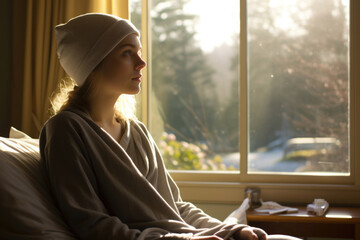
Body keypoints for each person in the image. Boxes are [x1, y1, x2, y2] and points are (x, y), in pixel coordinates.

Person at [40, 13, 267, 240]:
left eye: (138, 52)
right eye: (127, 53)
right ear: (94, 62)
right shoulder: (66, 129)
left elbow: (174, 208)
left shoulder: (137, 133)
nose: (141, 63)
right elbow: (92, 224)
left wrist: (231, 230)